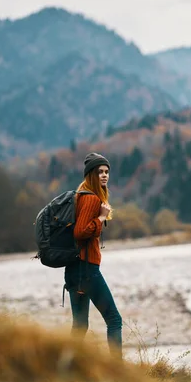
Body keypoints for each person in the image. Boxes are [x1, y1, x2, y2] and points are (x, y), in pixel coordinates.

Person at [64, 152, 122, 357]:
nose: (105, 175)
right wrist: (101, 218)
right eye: (100, 172)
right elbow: (80, 232)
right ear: (90, 175)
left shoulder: (79, 196)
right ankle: (118, 371)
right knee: (114, 320)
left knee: (79, 327)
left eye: (107, 172)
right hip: (86, 270)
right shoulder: (90, 199)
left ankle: (65, 367)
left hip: (74, 269)